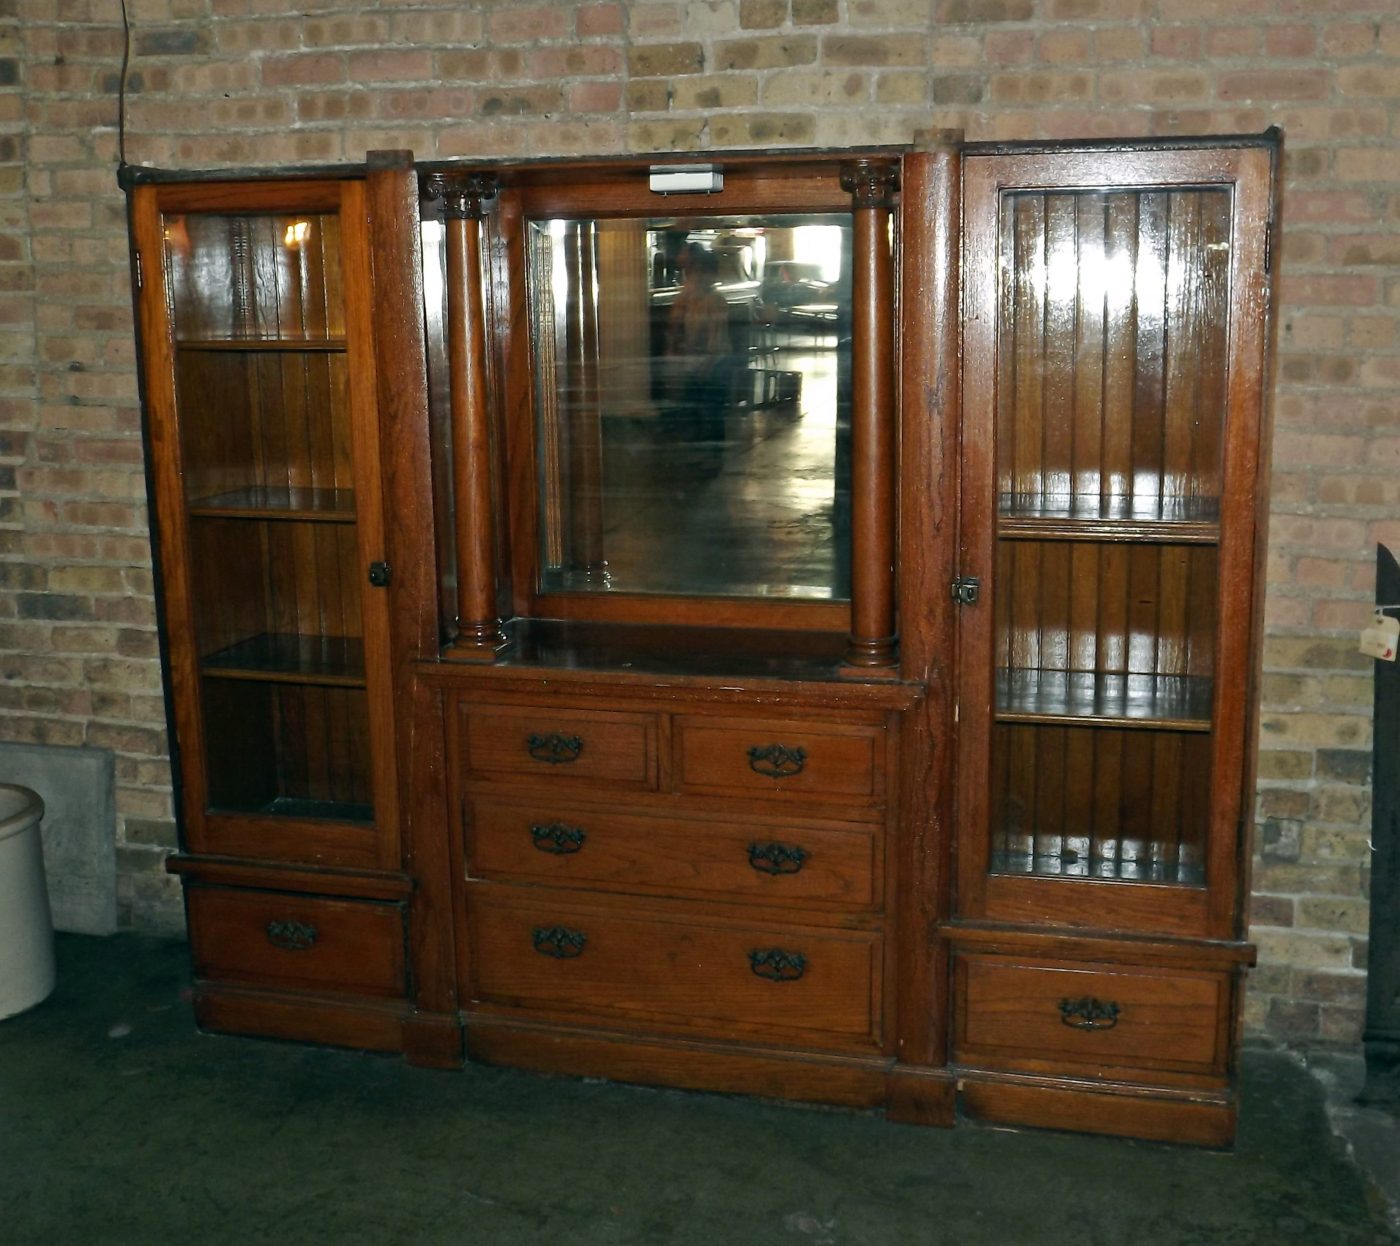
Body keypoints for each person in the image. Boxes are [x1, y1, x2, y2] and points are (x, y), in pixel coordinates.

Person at [665, 245, 731, 448]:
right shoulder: (689, 299)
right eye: (689, 273)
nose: (690, 278)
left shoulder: (715, 300)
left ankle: (712, 456)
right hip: (695, 363)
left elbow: (716, 340)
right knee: (694, 412)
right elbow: (675, 327)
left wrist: (706, 365)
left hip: (714, 364)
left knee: (711, 412)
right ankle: (699, 453)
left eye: (694, 272)